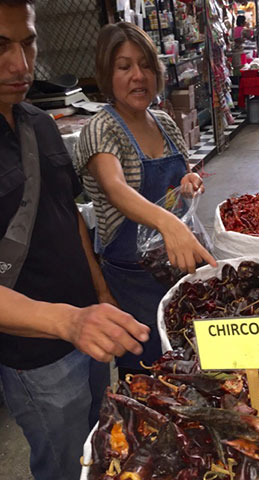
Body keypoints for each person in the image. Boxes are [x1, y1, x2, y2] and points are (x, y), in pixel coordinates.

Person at [0, 2, 151, 479]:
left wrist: (100, 294)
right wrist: (67, 321)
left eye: (27, 42)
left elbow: (69, 220)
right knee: (63, 460)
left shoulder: (38, 123)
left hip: (88, 325)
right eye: (0, 47)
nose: (21, 65)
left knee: (98, 443)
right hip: (35, 354)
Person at [74, 22, 216, 378]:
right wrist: (168, 223)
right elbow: (116, 189)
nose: (138, 76)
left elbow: (183, 177)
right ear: (107, 75)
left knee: (188, 357)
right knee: (148, 367)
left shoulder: (165, 122)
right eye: (124, 67)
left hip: (176, 261)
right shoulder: (101, 129)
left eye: (146, 65)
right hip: (131, 276)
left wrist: (190, 182)